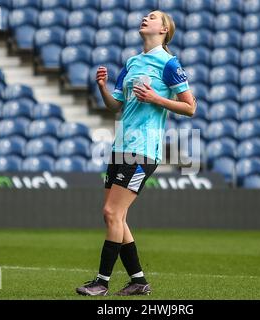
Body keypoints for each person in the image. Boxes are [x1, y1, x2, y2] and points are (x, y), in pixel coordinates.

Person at [76, 10, 196, 296]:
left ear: (164, 29)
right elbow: (115, 106)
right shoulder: (132, 62)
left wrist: (156, 98)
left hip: (143, 150)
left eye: (153, 17)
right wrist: (103, 87)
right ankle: (138, 281)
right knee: (114, 217)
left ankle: (101, 283)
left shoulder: (169, 63)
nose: (146, 18)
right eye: (146, 15)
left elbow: (190, 107)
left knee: (111, 212)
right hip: (121, 147)